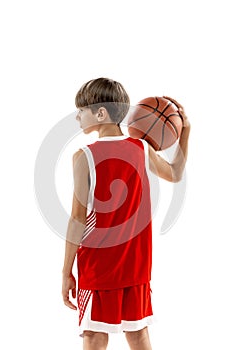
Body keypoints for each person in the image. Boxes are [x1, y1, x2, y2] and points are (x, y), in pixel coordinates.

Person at [62, 78, 190, 350]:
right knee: (138, 334)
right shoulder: (142, 148)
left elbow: (77, 219)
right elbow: (176, 173)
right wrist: (185, 132)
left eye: (81, 110)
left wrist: (66, 271)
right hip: (136, 265)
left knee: (95, 336)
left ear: (100, 113)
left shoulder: (84, 156)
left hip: (98, 267)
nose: (77, 117)